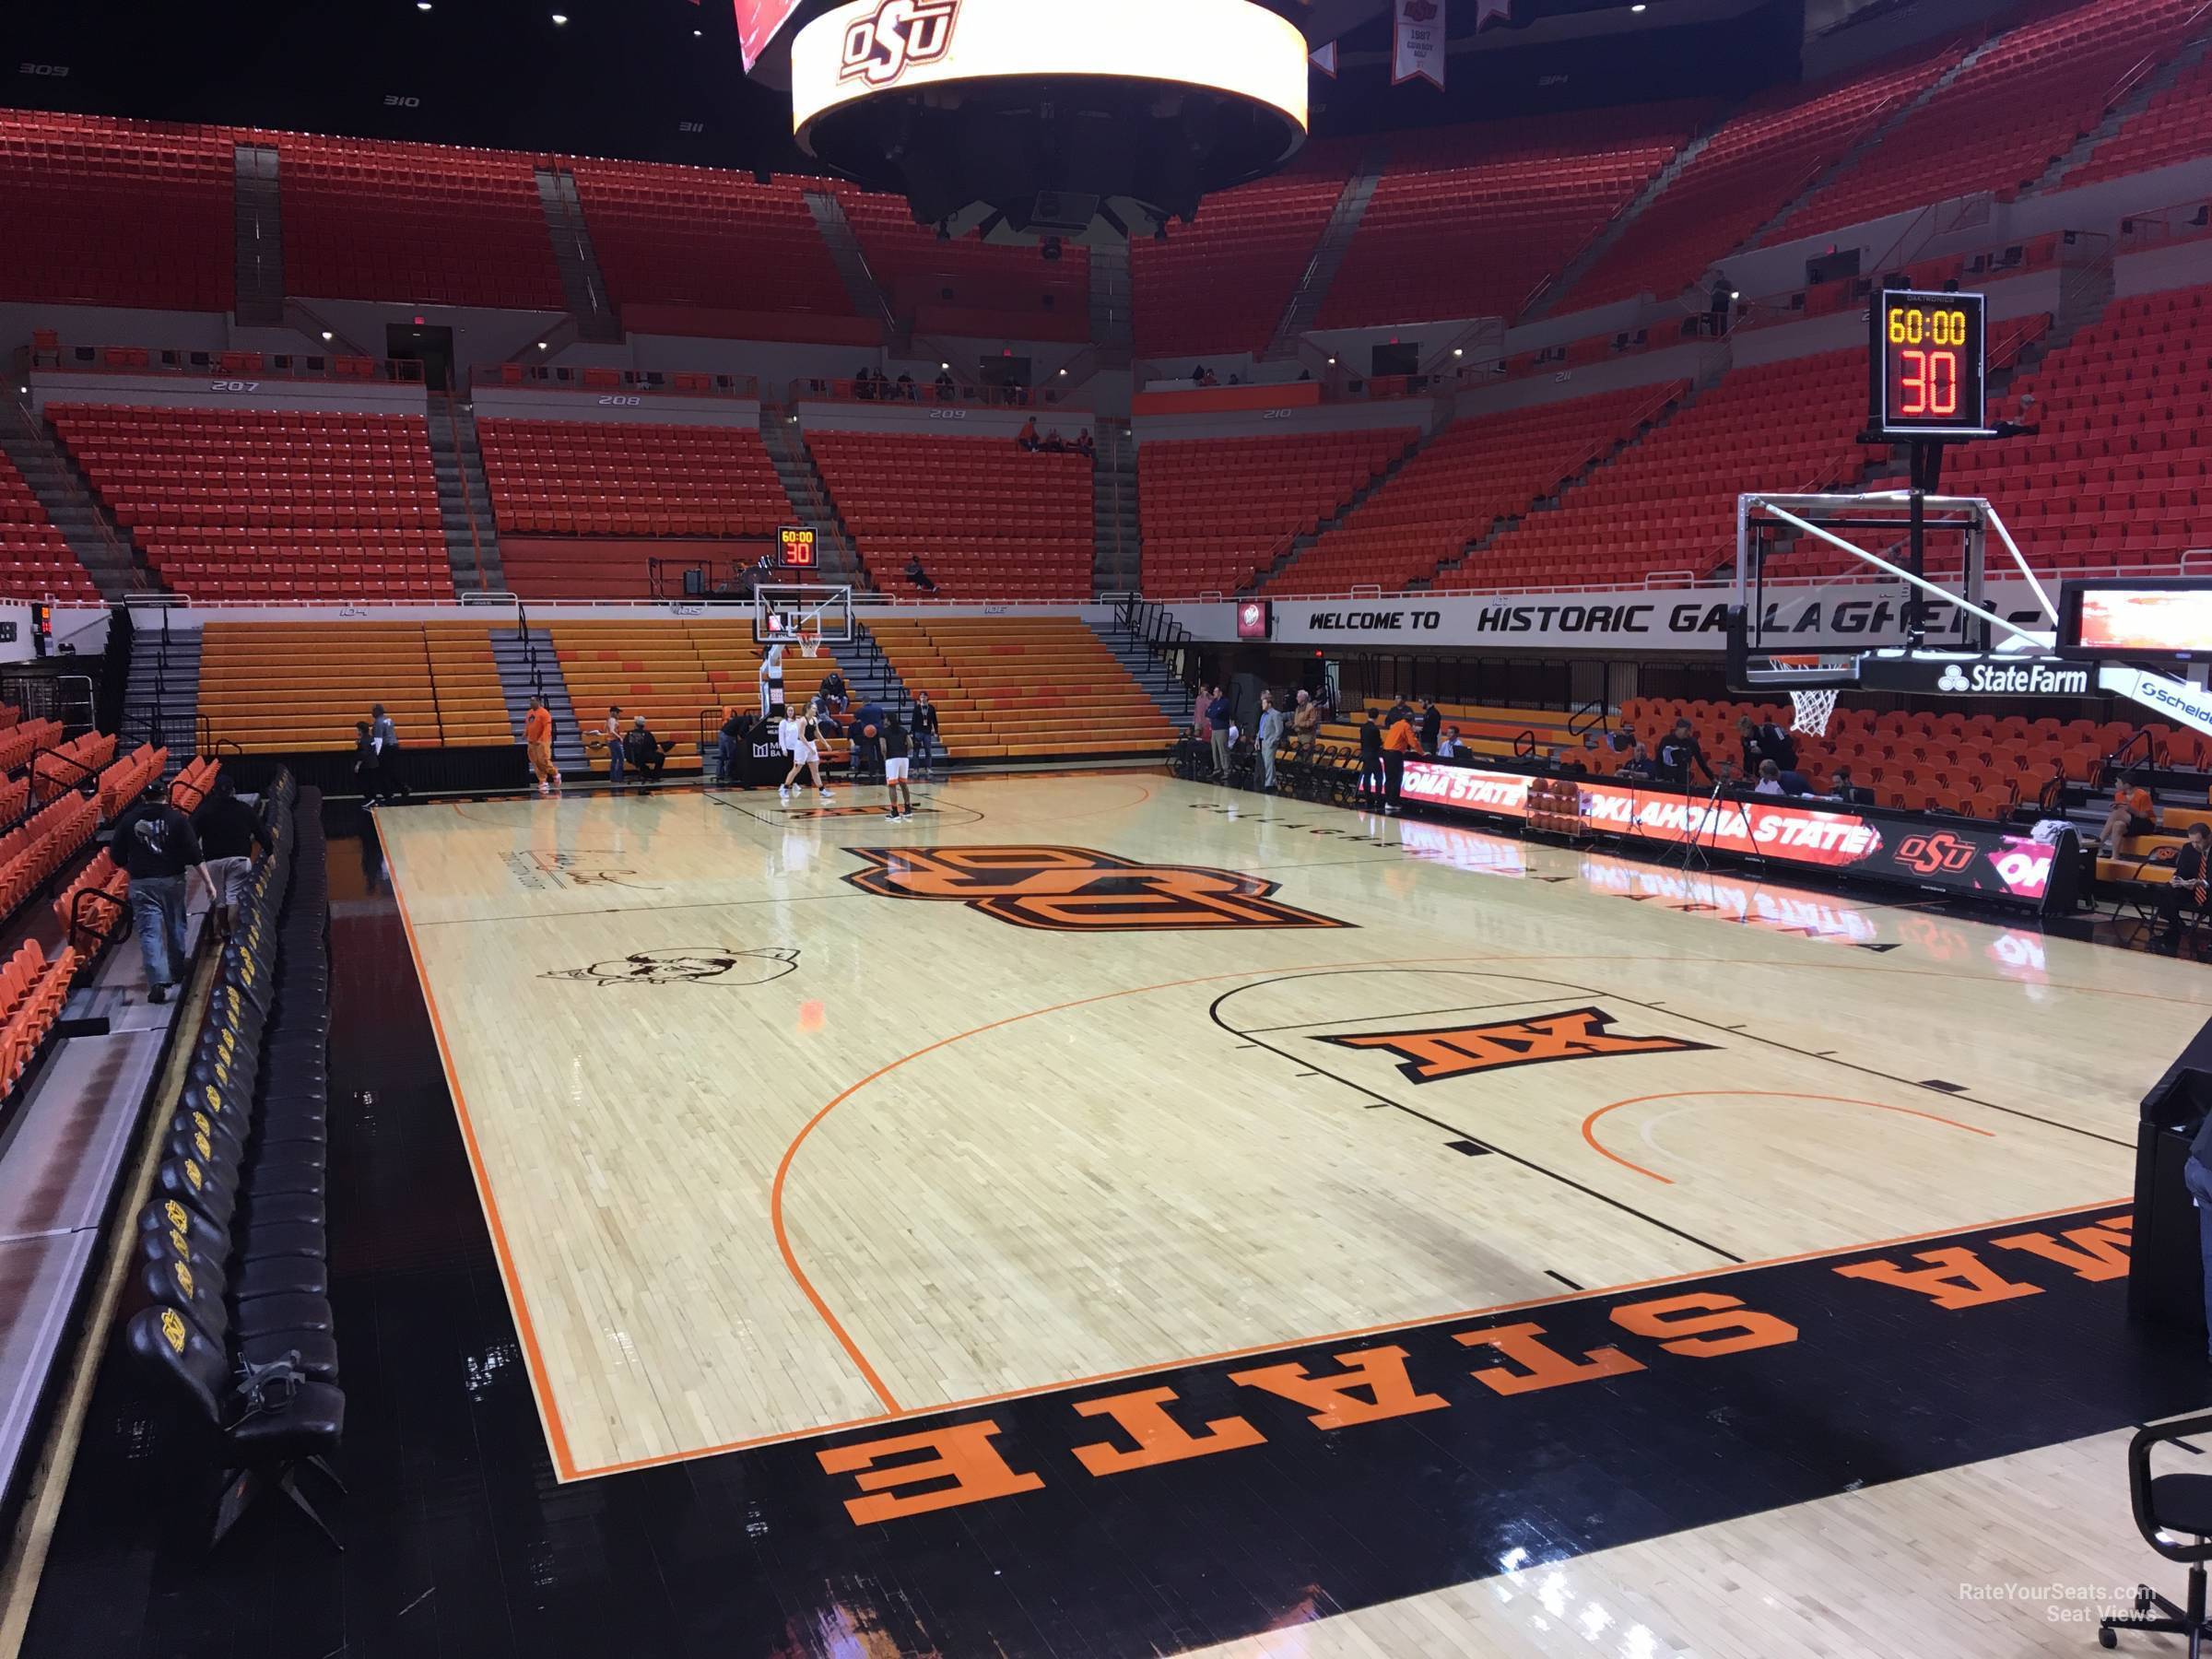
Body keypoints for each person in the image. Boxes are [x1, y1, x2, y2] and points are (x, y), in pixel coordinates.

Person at [112, 783, 202, 1005]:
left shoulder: (129, 820)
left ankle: (158, 981)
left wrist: (131, 866)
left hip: (142, 882)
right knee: (176, 924)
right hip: (172, 879)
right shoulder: (177, 819)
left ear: (143, 797)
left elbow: (116, 854)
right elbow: (193, 851)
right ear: (166, 796)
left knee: (149, 932)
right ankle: (177, 969)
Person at [188, 775, 268, 943]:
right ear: (233, 791)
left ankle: (224, 930)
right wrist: (271, 851)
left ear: (214, 791)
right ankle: (235, 937)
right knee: (234, 896)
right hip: (239, 858)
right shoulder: (243, 808)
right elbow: (260, 831)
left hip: (213, 860)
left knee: (220, 899)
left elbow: (191, 837)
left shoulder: (204, 810)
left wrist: (192, 858)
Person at [2157, 821, 2212, 955]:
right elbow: (2181, 871)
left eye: (2198, 842)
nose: (2195, 846)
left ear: (2209, 837)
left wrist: (2201, 883)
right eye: (2192, 842)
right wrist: (2176, 880)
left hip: (2209, 890)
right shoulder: (2188, 848)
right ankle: (2175, 926)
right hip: (2191, 889)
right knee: (2168, 888)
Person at [779, 700, 832, 804]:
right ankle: (784, 789)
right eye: (813, 708)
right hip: (802, 746)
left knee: (815, 770)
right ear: (808, 709)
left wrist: (826, 744)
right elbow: (801, 736)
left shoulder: (815, 719)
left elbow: (817, 733)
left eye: (816, 708)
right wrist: (809, 748)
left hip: (811, 744)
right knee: (796, 769)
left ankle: (822, 790)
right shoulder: (802, 721)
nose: (815, 710)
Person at [1382, 702, 1422, 814]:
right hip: (1395, 754)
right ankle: (1393, 803)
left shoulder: (1396, 724)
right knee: (1397, 778)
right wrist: (1422, 753)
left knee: (1389, 778)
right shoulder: (1407, 726)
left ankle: (1388, 801)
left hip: (1386, 752)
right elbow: (1413, 742)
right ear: (1412, 720)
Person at [2100, 784, 2161, 856]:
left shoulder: (2143, 795)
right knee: (2118, 824)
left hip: (2145, 823)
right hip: (2129, 822)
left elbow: (2145, 815)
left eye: (2118, 781)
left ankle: (2099, 843)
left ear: (2127, 784)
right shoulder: (2118, 795)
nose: (2116, 784)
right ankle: (2115, 857)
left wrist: (2131, 810)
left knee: (2116, 814)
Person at [1657, 719, 1716, 790]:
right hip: (1666, 778)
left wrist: (1712, 778)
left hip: (1682, 779)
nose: (1688, 733)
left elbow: (1701, 762)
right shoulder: (1666, 740)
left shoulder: (1692, 742)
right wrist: (1659, 777)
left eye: (1689, 730)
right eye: (1686, 730)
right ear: (1678, 728)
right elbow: (1659, 759)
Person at [370, 703, 407, 800]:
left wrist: (376, 754)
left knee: (383, 771)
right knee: (391, 770)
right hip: (394, 746)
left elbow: (378, 739)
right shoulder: (389, 720)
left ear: (377, 712)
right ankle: (402, 787)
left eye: (373, 711)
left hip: (385, 748)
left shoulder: (378, 722)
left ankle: (388, 793)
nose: (372, 713)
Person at [880, 713, 913, 822]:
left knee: (892, 786)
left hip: (892, 759)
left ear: (888, 720)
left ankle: (895, 812)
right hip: (904, 758)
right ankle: (908, 809)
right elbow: (911, 745)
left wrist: (885, 758)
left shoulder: (883, 732)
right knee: (904, 784)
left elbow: (883, 748)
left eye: (885, 718)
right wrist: (903, 752)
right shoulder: (904, 730)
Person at [524, 695, 559, 796]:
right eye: (530, 700)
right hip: (532, 741)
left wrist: (542, 740)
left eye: (533, 701)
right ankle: (543, 781)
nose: (531, 702)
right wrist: (525, 733)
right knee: (535, 762)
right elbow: (528, 725)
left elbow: (547, 728)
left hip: (542, 741)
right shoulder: (529, 712)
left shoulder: (544, 713)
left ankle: (555, 773)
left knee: (543, 760)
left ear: (538, 701)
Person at [853, 698, 888, 783]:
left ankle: (872, 771)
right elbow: (884, 719)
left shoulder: (860, 710)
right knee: (880, 752)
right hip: (878, 732)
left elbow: (855, 720)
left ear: (863, 702)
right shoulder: (878, 709)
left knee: (870, 753)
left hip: (867, 732)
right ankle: (882, 770)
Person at [624, 715, 668, 783]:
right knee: (661, 757)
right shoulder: (647, 734)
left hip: (631, 757)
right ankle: (656, 777)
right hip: (645, 757)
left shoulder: (629, 734)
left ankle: (646, 773)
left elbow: (625, 745)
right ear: (643, 725)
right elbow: (654, 747)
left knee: (641, 762)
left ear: (635, 724)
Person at [1357, 708, 1384, 807]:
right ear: (1377, 716)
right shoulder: (1375, 729)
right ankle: (1378, 798)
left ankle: (1368, 797)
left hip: (1365, 754)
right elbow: (1377, 743)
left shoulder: (1363, 727)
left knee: (1367, 777)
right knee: (1379, 777)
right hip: (1373, 755)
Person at [1256, 692, 1285, 791]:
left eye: (1264, 703)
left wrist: (1273, 740)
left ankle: (1268, 783)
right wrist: (1257, 740)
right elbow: (1260, 729)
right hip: (1262, 741)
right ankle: (1272, 781)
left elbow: (1279, 729)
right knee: (1267, 763)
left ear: (1269, 704)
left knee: (1269, 763)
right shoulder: (1263, 715)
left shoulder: (1276, 714)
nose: (1262, 705)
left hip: (1270, 742)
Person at [717, 705, 750, 787]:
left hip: (721, 733)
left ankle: (719, 774)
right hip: (729, 736)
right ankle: (729, 775)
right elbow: (741, 732)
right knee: (731, 756)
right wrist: (747, 738)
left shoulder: (740, 718)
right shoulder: (746, 721)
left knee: (722, 756)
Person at [910, 690, 940, 778]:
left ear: (927, 698)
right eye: (921, 697)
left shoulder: (931, 708)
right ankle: (916, 769)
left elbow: (935, 721)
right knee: (916, 752)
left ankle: (928, 768)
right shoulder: (917, 708)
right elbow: (913, 721)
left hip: (927, 732)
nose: (922, 698)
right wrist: (912, 732)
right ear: (919, 698)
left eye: (924, 697)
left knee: (928, 751)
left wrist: (936, 731)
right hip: (918, 732)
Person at [352, 719, 384, 803]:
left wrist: (358, 765)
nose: (356, 731)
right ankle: (373, 799)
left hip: (366, 765)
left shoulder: (362, 741)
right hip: (374, 763)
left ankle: (369, 800)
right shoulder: (372, 738)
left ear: (360, 730)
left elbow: (363, 754)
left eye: (357, 729)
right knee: (372, 783)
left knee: (365, 784)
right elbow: (371, 748)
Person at [595, 704, 627, 786]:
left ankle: (613, 777)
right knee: (621, 758)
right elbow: (612, 731)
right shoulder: (612, 720)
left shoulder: (609, 720)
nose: (618, 714)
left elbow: (606, 729)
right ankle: (618, 777)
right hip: (614, 741)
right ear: (613, 712)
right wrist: (619, 737)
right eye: (617, 712)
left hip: (611, 741)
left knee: (614, 759)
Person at [1205, 686, 1230, 779]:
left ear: (1220, 693)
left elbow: (1215, 713)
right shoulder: (1214, 702)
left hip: (1222, 729)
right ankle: (1217, 769)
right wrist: (1213, 712)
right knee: (1215, 750)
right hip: (1214, 729)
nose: (1214, 693)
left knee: (1223, 750)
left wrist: (1213, 712)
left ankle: (1226, 770)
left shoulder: (1225, 702)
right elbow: (1207, 713)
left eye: (1215, 692)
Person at [1291, 689, 1320, 762]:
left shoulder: (1310, 707)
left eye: (1298, 697)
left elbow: (1312, 721)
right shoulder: (1298, 708)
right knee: (1299, 754)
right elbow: (1297, 719)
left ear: (1303, 698)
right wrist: (1293, 724)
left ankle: (1307, 770)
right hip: (1299, 734)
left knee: (1307, 754)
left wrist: (1299, 724)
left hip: (1307, 735)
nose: (1296, 698)